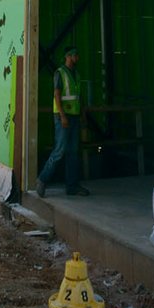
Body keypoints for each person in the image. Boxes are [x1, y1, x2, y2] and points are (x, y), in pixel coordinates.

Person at [35, 46, 90, 197]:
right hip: (63, 117)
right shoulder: (60, 73)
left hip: (74, 116)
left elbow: (79, 96)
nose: (77, 58)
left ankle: (72, 186)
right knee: (59, 151)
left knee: (73, 152)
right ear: (68, 56)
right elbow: (57, 95)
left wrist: (82, 115)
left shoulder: (76, 74)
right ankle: (42, 179)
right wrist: (62, 115)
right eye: (75, 55)